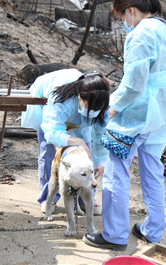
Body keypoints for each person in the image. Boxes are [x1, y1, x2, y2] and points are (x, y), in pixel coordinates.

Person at [84, 0, 166, 251]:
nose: (121, 24)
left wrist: (113, 106)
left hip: (138, 114)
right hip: (162, 112)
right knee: (152, 170)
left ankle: (115, 235)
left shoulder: (140, 34)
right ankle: (152, 230)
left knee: (116, 171)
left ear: (130, 11)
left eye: (120, 18)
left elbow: (135, 83)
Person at [21, 69, 110, 214]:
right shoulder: (62, 99)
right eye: (92, 107)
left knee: (87, 154)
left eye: (98, 108)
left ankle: (86, 197)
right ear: (80, 97)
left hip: (77, 114)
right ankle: (49, 196)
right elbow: (52, 130)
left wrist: (101, 162)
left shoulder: (102, 103)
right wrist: (77, 141)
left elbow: (101, 136)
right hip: (47, 105)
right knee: (49, 152)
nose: (95, 111)